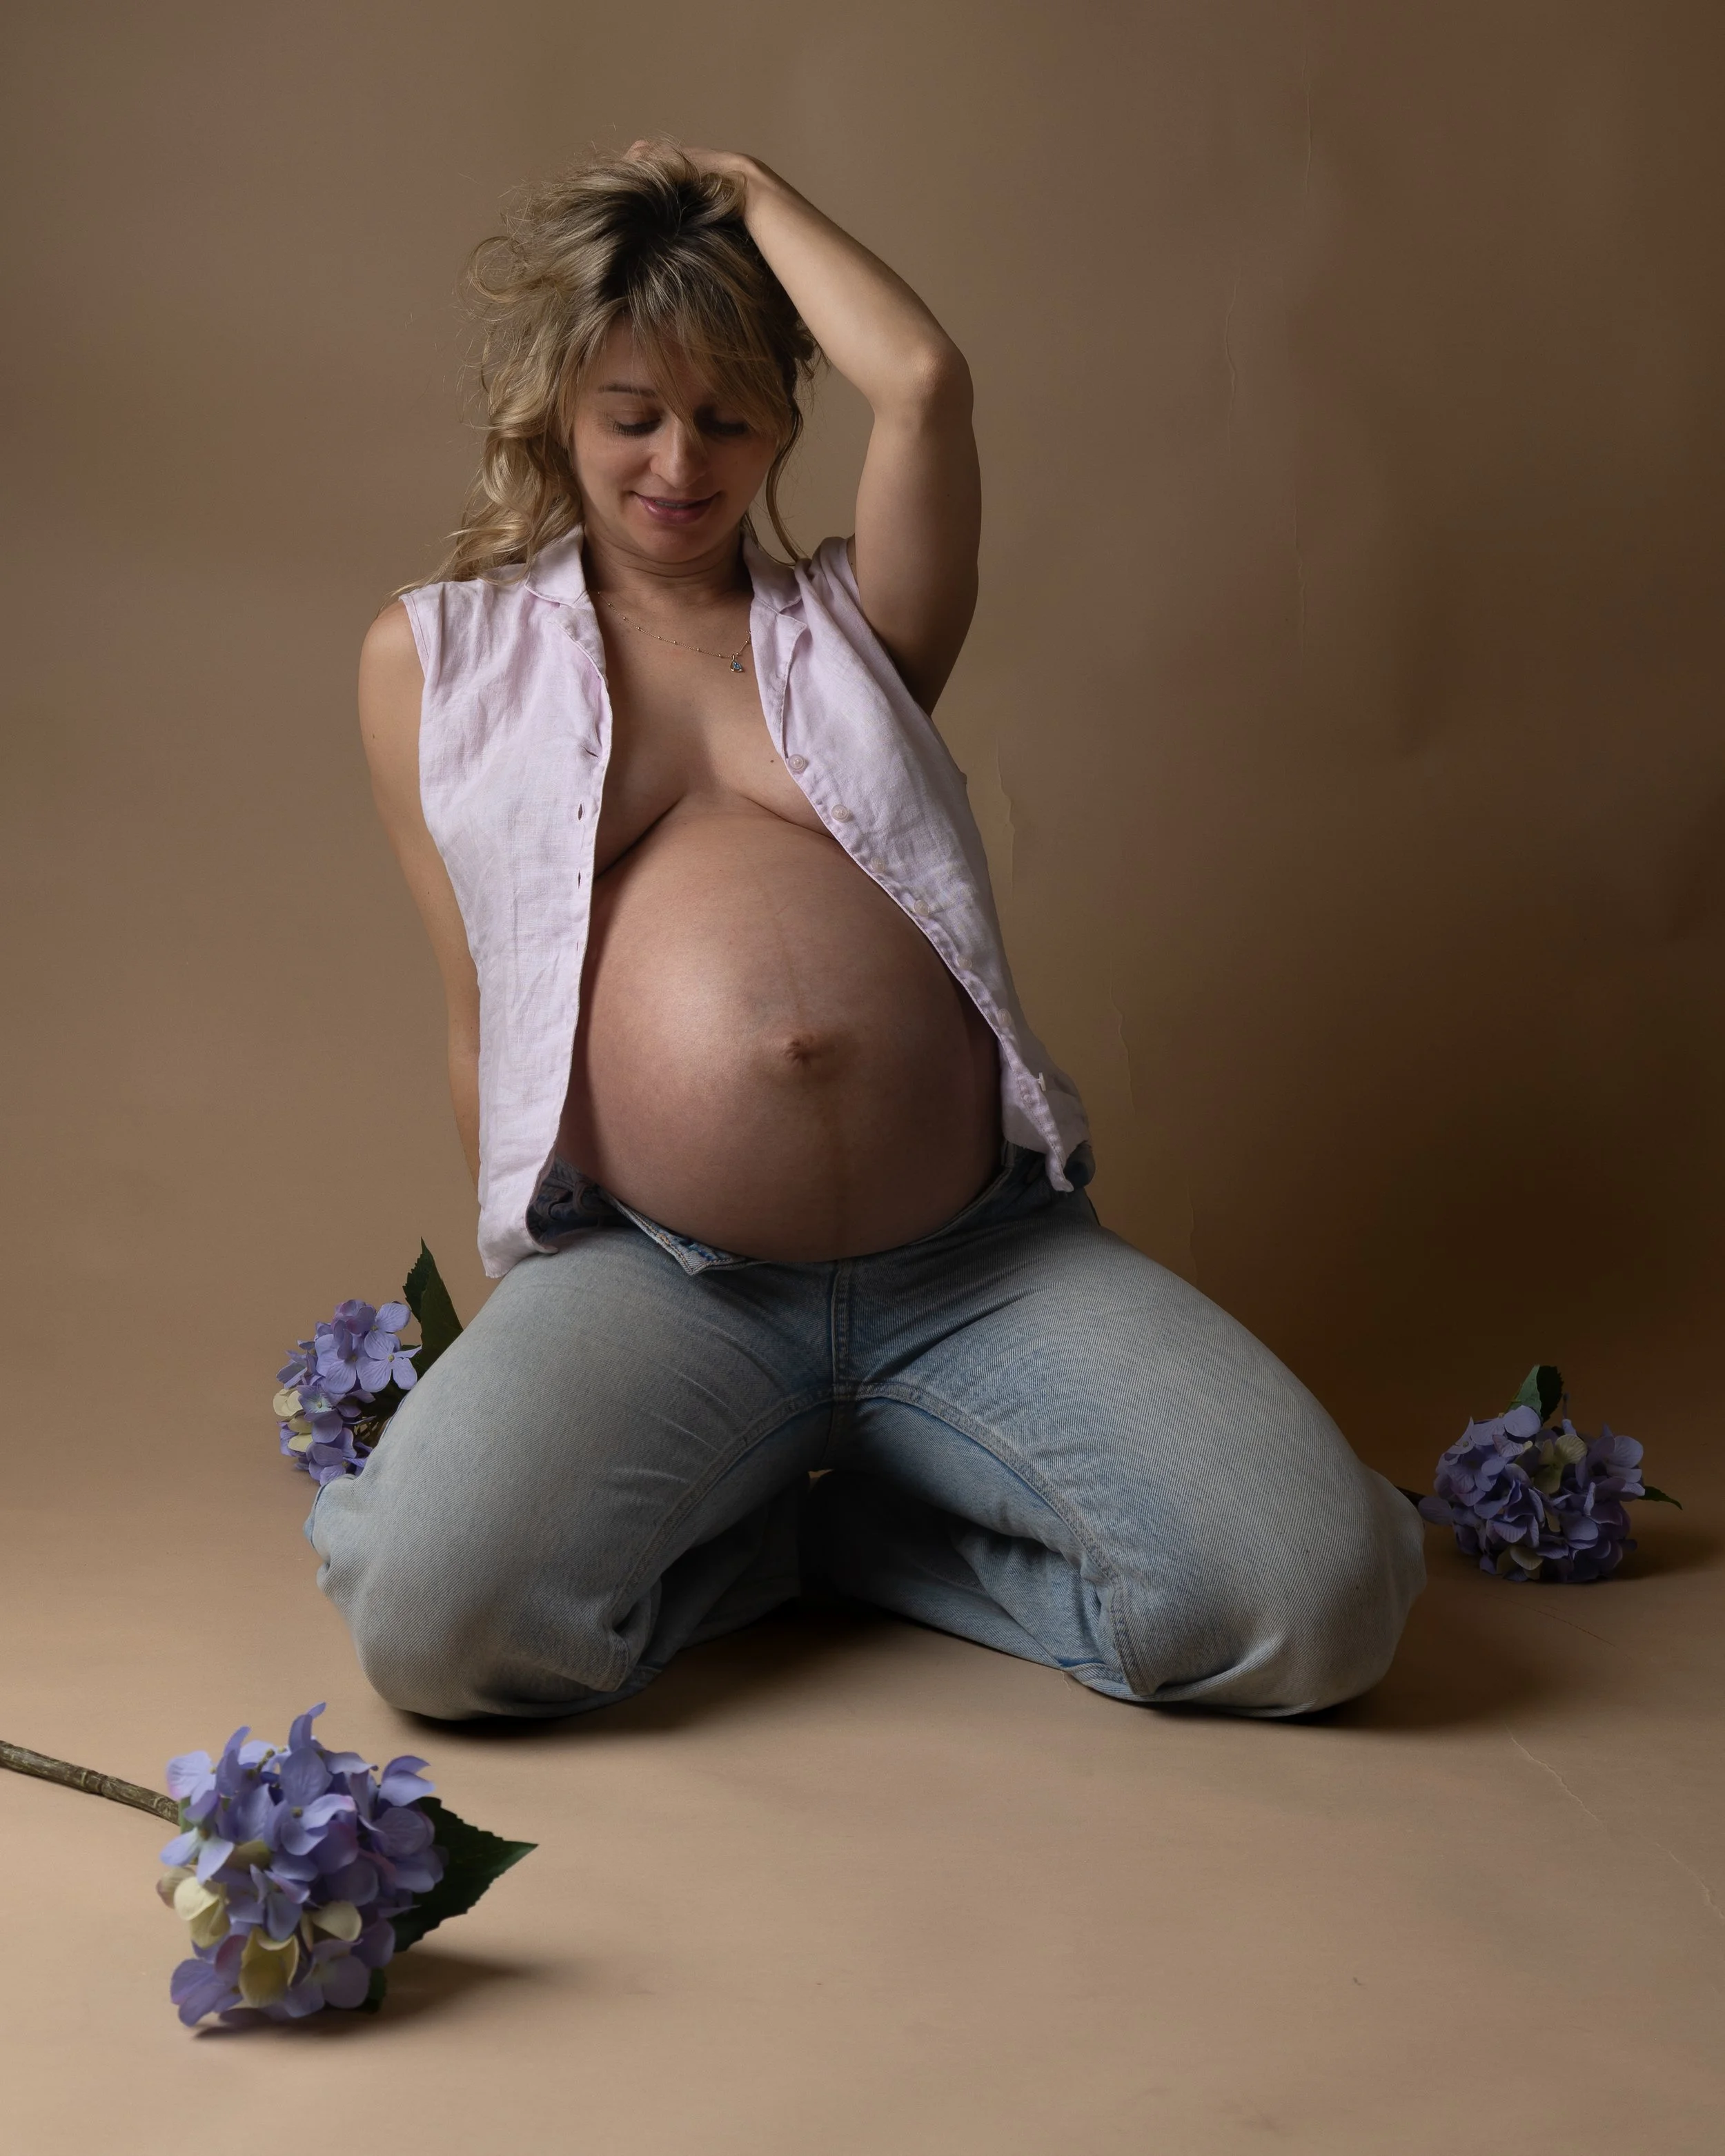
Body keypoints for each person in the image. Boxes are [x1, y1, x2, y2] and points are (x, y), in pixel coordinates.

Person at [311, 143, 1423, 1721]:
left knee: (1322, 1605)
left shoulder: (858, 628)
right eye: (633, 413)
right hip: (662, 1282)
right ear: (561, 404)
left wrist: (746, 193)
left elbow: (923, 379)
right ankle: (761, 1535)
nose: (678, 463)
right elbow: (473, 1006)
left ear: (777, 421)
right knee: (436, 1622)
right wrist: (539, 1347)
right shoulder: (439, 660)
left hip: (979, 1266)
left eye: (727, 416)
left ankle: (858, 1539)